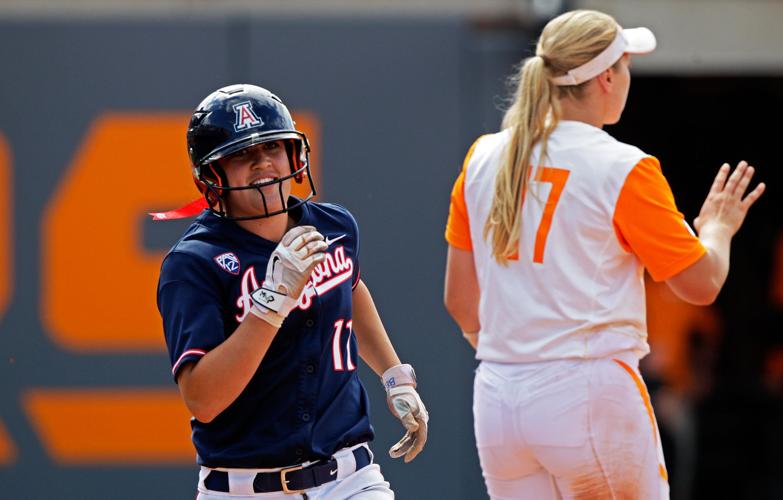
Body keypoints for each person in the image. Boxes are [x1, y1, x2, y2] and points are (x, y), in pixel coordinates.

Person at [443, 9, 764, 500]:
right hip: (587, 391)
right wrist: (717, 229)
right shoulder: (622, 165)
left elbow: (461, 304)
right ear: (608, 76)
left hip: (499, 396)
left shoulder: (483, 155)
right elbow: (701, 284)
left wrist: (525, 362)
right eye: (627, 65)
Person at [155, 84, 428, 499]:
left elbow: (350, 287)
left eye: (272, 147)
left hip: (350, 477)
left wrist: (394, 376)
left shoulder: (334, 226)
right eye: (241, 154)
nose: (262, 162)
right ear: (212, 175)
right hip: (245, 487)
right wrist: (271, 302)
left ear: (295, 155)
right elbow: (203, 399)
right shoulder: (193, 262)